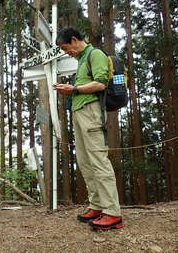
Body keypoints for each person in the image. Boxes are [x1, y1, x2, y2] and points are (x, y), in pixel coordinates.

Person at [53, 27, 123, 230]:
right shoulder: (81, 60)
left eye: (67, 48)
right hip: (78, 112)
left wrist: (73, 88)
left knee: (99, 161)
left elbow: (101, 83)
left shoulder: (95, 54)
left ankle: (112, 213)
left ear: (74, 40)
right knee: (85, 162)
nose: (67, 52)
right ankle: (97, 205)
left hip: (91, 113)